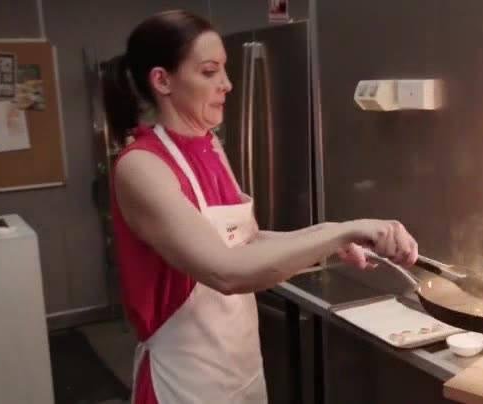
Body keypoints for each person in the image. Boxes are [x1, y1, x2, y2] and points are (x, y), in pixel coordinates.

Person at [102, 9, 419, 404]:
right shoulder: (142, 167)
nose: (227, 84)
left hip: (241, 373)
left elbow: (245, 243)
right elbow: (225, 270)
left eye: (224, 69)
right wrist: (343, 231)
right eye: (209, 72)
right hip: (183, 385)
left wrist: (330, 238)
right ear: (162, 80)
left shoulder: (210, 145)